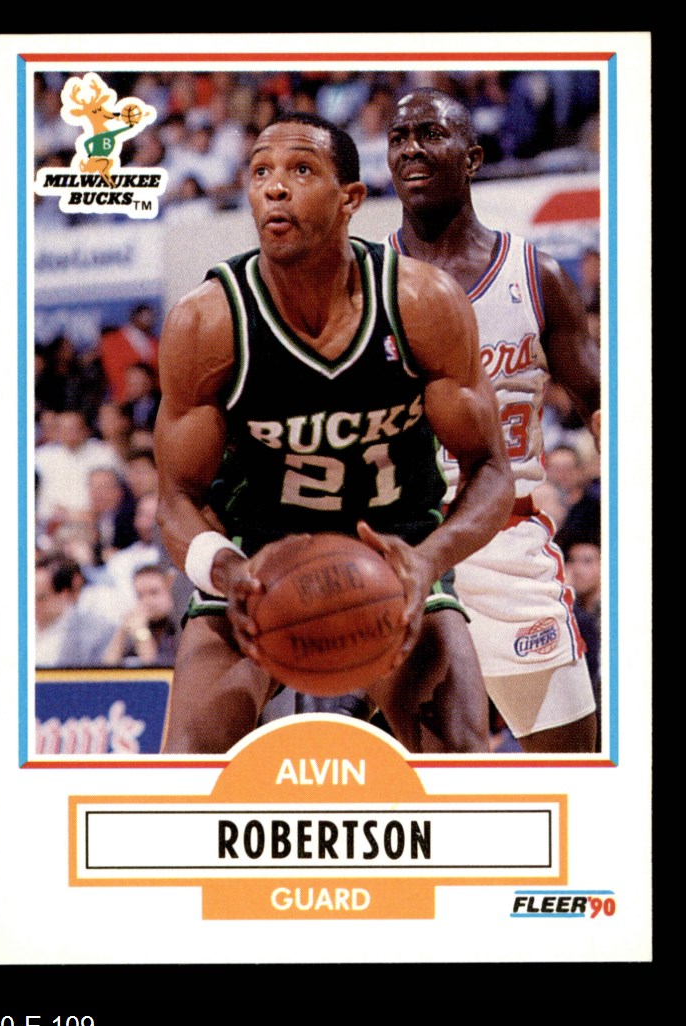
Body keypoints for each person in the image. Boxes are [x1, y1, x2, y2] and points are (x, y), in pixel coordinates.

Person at [155, 112, 513, 755]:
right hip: (259, 556)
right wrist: (230, 572)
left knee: (462, 759)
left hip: (397, 552)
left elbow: (491, 470)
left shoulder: (422, 302)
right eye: (260, 172)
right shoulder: (207, 322)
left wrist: (428, 560)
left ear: (350, 198)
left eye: (301, 170)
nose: (274, 187)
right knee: (188, 767)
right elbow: (175, 498)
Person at [386, 88, 600, 752]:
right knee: (432, 782)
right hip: (405, 550)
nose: (411, 149)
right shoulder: (363, 283)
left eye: (430, 134)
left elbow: (600, 403)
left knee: (569, 768)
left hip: (508, 546)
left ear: (473, 157)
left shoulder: (536, 274)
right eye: (398, 138)